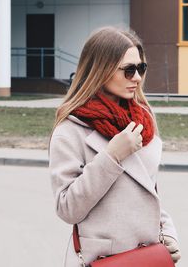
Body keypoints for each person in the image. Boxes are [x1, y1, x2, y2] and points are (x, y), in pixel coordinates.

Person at [49, 26, 181, 267]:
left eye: (141, 68)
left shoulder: (142, 119)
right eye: (128, 70)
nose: (138, 78)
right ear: (101, 70)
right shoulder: (70, 130)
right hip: (103, 259)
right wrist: (112, 157)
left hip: (148, 256)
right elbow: (67, 208)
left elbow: (148, 192)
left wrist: (168, 233)